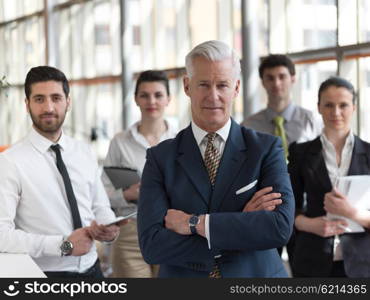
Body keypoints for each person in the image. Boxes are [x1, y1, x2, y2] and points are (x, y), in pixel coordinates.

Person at [137, 40, 295, 278]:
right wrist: (242, 225)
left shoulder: (265, 149)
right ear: (187, 86)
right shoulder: (160, 158)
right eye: (203, 84)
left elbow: (279, 228)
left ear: (237, 87)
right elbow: (153, 246)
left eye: (222, 85)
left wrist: (195, 224)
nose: (213, 96)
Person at [0, 66, 126, 278]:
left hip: (93, 270)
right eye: (39, 99)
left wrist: (108, 228)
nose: (48, 107)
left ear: (68, 102)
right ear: (27, 104)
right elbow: (2, 235)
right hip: (43, 275)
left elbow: (99, 206)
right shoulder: (10, 162)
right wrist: (63, 245)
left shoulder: (84, 151)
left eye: (56, 98)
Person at [288, 76, 370, 277]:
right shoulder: (300, 153)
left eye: (343, 105)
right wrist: (309, 224)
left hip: (362, 264)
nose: (336, 112)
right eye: (328, 105)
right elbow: (287, 207)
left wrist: (351, 212)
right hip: (312, 262)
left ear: (353, 107)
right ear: (318, 107)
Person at [102, 70, 176, 277]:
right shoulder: (119, 142)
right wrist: (127, 195)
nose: (151, 101)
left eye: (158, 95)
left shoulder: (182, 141)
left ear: (168, 99)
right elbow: (102, 193)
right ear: (135, 99)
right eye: (144, 95)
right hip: (130, 235)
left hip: (172, 231)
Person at [242, 54, 321, 156]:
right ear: (263, 82)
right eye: (270, 78)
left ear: (293, 79)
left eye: (282, 77)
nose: (276, 83)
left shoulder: (311, 121)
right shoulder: (248, 126)